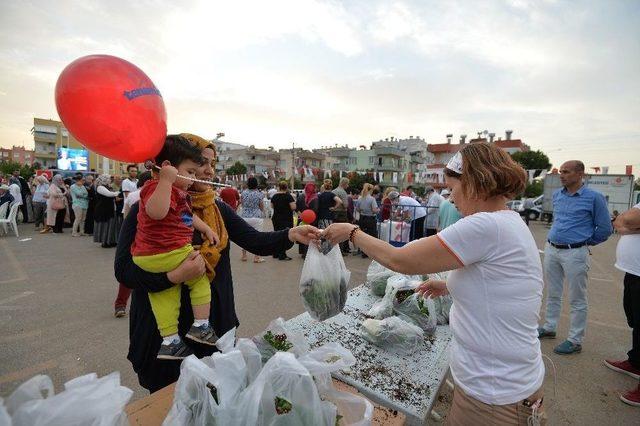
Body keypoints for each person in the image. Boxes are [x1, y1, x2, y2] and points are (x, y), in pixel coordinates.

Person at [323, 143, 547, 424]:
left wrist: (352, 232)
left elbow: (400, 260)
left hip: (493, 394)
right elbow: (498, 283)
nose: (451, 198)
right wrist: (449, 286)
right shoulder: (508, 222)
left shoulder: (485, 226)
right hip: (505, 383)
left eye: (453, 188)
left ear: (474, 183)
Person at [114, 133, 319, 392]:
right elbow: (124, 271)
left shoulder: (218, 209)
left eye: (212, 164)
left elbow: (254, 240)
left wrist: (290, 234)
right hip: (163, 335)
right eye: (202, 164)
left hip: (213, 328)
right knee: (167, 403)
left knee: (216, 398)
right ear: (174, 166)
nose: (208, 171)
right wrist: (173, 276)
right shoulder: (149, 208)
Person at [132, 135, 221, 359]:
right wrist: (165, 181)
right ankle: (201, 326)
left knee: (163, 297)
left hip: (149, 258)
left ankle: (170, 340)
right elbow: (156, 212)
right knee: (200, 276)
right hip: (168, 252)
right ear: (169, 168)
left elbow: (187, 216)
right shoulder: (157, 188)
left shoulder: (178, 193)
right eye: (190, 172)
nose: (193, 177)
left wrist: (206, 229)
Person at [538, 160, 613, 355]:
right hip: (552, 249)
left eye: (567, 172)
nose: (562, 175)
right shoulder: (558, 195)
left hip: (575, 252)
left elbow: (605, 229)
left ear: (580, 174)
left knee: (577, 298)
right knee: (553, 292)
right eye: (561, 171)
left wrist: (583, 243)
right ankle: (549, 327)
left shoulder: (594, 198)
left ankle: (575, 339)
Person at [606, 202, 640, 406]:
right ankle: (636, 362)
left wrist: (630, 224)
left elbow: (626, 220)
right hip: (634, 271)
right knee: (636, 322)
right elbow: (619, 223)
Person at [116, 171, 153, 318]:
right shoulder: (160, 193)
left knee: (130, 271)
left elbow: (126, 218)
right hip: (151, 240)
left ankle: (120, 305)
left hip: (135, 237)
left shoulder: (132, 196)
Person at [239, 177, 266, 263]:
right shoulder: (259, 194)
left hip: (245, 216)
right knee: (258, 236)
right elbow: (261, 206)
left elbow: (242, 204)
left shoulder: (243, 193)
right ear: (256, 184)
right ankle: (256, 257)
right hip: (256, 217)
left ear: (248, 184)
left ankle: (244, 255)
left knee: (244, 236)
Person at [270, 181, 296, 260]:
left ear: (279, 187)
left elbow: (272, 206)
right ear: (286, 187)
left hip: (276, 218)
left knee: (277, 235)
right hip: (286, 218)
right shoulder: (288, 196)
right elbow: (293, 207)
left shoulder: (274, 196)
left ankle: (275, 253)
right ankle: (282, 254)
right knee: (285, 236)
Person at [93, 174, 119, 248]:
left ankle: (111, 241)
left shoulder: (108, 186)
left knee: (111, 225)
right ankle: (105, 242)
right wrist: (118, 193)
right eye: (108, 178)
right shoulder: (100, 187)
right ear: (104, 179)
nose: (110, 180)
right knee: (105, 226)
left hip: (110, 208)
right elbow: (109, 194)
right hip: (103, 209)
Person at [356, 183, 379, 258]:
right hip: (370, 219)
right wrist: (378, 210)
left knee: (363, 236)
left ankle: (363, 252)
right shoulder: (372, 199)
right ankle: (371, 252)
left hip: (362, 218)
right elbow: (374, 210)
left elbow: (357, 209)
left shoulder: (360, 198)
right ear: (371, 190)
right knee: (372, 236)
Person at [297, 182, 319, 258]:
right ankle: (308, 252)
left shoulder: (301, 196)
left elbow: (297, 207)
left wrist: (301, 214)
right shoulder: (315, 198)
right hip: (311, 219)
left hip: (302, 219)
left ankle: (303, 252)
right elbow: (315, 209)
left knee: (302, 234)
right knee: (309, 235)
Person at [332, 177, 351, 254]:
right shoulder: (343, 192)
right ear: (345, 184)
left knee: (334, 232)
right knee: (342, 232)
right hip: (341, 214)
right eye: (347, 184)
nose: (348, 185)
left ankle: (334, 249)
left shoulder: (333, 191)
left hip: (334, 213)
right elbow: (345, 205)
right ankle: (341, 251)